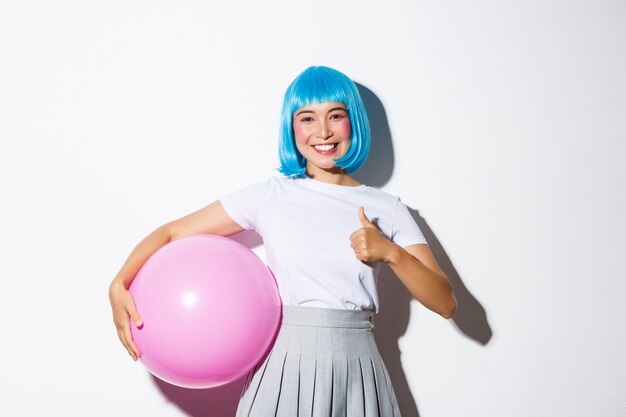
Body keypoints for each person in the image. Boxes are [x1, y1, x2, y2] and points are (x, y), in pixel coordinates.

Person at [109, 65, 457, 417]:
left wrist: (391, 253)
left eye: (335, 115)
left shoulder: (388, 209)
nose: (322, 131)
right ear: (292, 129)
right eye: (307, 118)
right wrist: (119, 283)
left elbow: (445, 303)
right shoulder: (271, 196)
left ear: (354, 121)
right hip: (284, 365)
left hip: (358, 367)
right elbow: (171, 233)